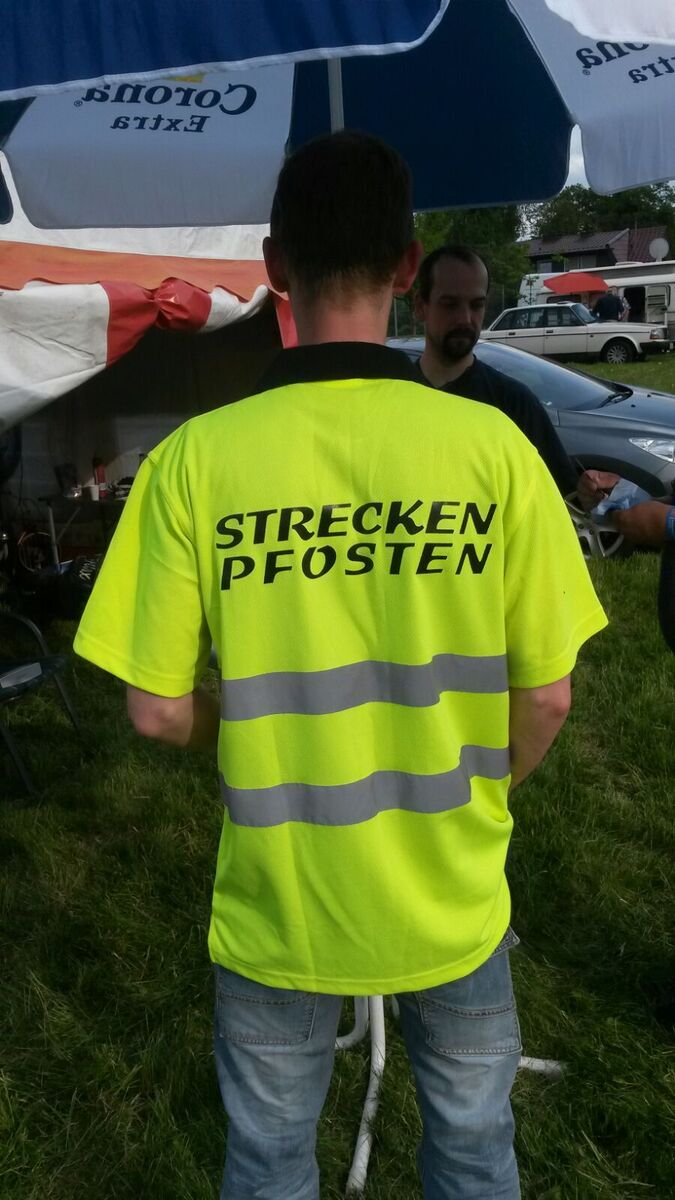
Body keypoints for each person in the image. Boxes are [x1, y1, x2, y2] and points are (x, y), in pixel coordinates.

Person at [74, 131, 607, 1200]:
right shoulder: (495, 452)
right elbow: (546, 697)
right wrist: (478, 788)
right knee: (474, 1154)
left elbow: (154, 711)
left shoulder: (193, 462)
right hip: (452, 897)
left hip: (281, 909)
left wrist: (251, 736)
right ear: (408, 267)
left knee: (269, 1165)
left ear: (275, 266)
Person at [414, 244, 580, 497]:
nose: (465, 318)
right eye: (450, 304)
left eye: (476, 305)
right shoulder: (392, 396)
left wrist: (591, 496)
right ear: (420, 306)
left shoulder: (514, 404)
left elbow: (562, 498)